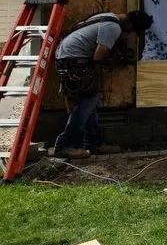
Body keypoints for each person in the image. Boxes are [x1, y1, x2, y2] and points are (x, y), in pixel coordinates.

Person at [52, 10, 153, 159]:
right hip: (74, 61)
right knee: (86, 104)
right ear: (130, 25)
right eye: (131, 31)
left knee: (90, 104)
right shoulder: (113, 27)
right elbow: (99, 56)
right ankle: (64, 145)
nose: (127, 34)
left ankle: (94, 143)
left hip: (69, 58)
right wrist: (116, 60)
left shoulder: (107, 16)